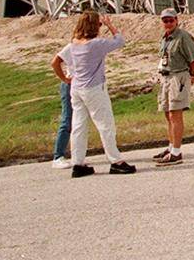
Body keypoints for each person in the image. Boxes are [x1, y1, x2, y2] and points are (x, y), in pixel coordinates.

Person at [51, 11, 136, 177]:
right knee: (105, 125)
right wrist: (110, 25)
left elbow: (55, 62)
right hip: (94, 88)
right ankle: (116, 161)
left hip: (76, 89)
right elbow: (120, 41)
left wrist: (65, 79)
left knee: (78, 126)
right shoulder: (96, 44)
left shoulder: (73, 44)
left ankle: (78, 163)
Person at [153, 8, 194, 167]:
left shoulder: (183, 37)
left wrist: (190, 75)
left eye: (170, 20)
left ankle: (177, 152)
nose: (168, 23)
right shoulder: (165, 38)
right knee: (168, 114)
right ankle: (171, 147)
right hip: (165, 76)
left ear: (176, 20)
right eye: (165, 21)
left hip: (178, 77)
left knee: (175, 114)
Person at [51, 57, 73, 169]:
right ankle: (58, 156)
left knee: (79, 122)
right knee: (67, 120)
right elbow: (55, 62)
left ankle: (78, 155)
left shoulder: (91, 46)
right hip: (70, 85)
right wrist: (64, 78)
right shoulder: (71, 47)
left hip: (85, 85)